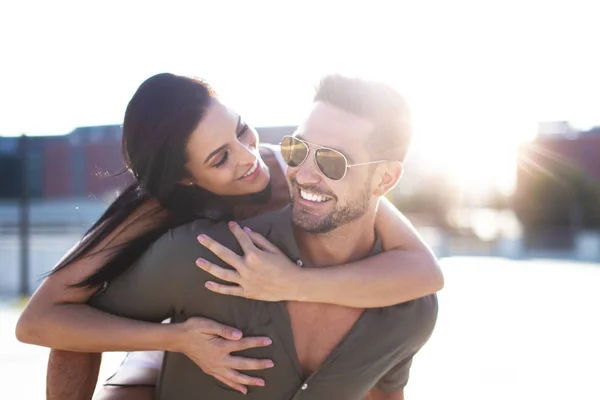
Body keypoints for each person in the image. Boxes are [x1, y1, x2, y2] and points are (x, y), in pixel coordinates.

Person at [15, 73, 441, 400]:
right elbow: (46, 322)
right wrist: (174, 340)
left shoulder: (286, 169)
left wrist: (293, 284)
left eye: (241, 130)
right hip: (165, 321)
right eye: (220, 158)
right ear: (185, 179)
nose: (249, 159)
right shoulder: (156, 213)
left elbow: (423, 273)